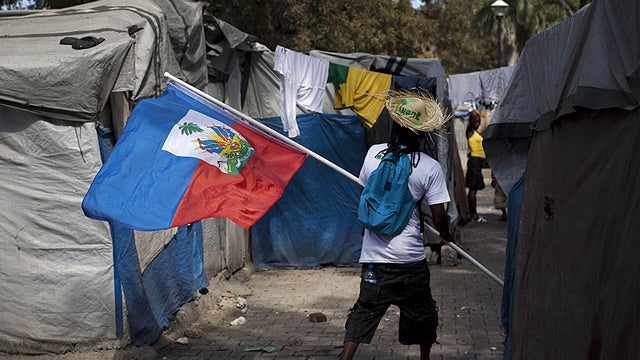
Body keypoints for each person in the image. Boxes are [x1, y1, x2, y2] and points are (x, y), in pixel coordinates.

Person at [342, 92, 452, 360]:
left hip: (374, 261)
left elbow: (366, 197)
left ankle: (345, 357)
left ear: (394, 125)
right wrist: (446, 234)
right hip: (410, 261)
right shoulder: (430, 167)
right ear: (423, 132)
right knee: (423, 314)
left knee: (364, 311)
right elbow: (439, 217)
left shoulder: (373, 154)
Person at [465, 110, 486, 223]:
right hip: (474, 162)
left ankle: (473, 214)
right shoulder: (470, 131)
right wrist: (474, 112)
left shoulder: (475, 132)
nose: (478, 123)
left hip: (477, 163)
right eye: (476, 120)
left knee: (474, 190)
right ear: (471, 121)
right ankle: (474, 215)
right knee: (473, 190)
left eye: (479, 121)